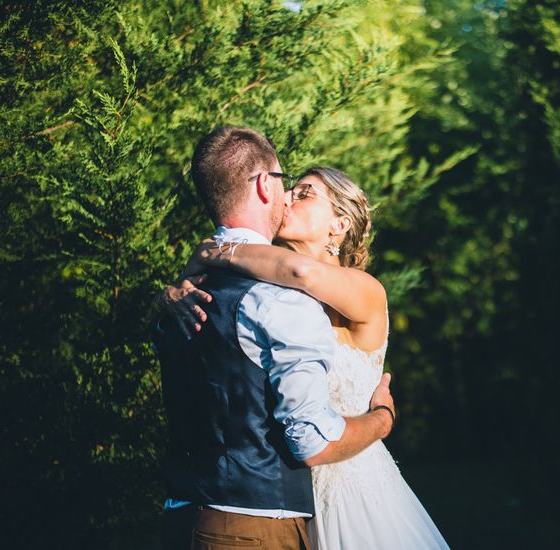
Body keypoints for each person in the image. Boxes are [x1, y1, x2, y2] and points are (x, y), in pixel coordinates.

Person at [163, 166, 450, 549]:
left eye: (306, 193)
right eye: (290, 190)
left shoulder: (366, 290)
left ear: (339, 224)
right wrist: (173, 292)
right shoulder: (270, 292)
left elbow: (300, 271)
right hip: (281, 499)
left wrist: (215, 250)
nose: (288, 198)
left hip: (354, 492)